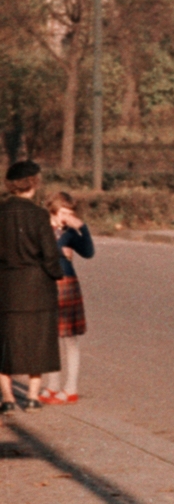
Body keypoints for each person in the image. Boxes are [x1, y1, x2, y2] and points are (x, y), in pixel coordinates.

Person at [0, 161, 63, 413]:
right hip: (37, 288)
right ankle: (33, 397)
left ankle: (7, 398)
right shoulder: (39, 215)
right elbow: (50, 255)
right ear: (33, 183)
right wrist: (57, 273)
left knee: (5, 343)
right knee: (38, 343)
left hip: (6, 287)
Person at [40, 192, 94, 404]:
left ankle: (70, 387)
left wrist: (81, 227)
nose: (67, 217)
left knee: (69, 337)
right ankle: (52, 385)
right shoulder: (42, 228)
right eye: (63, 212)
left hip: (65, 284)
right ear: (53, 210)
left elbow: (88, 252)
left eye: (70, 213)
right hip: (44, 283)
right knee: (49, 336)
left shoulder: (71, 233)